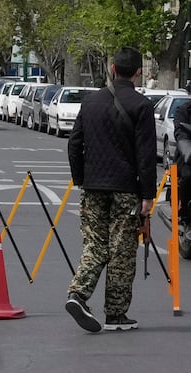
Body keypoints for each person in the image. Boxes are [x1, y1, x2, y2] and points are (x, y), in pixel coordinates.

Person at [65, 46, 157, 333]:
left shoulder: (90, 103)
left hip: (93, 187)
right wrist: (147, 196)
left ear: (112, 68)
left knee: (94, 244)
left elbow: (74, 144)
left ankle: (78, 294)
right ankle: (116, 314)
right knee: (122, 250)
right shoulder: (141, 106)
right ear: (139, 72)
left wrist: (81, 178)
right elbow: (146, 156)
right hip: (126, 189)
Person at [173, 100, 191, 237]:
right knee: (188, 175)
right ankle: (184, 213)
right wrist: (187, 148)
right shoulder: (183, 110)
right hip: (187, 156)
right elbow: (180, 132)